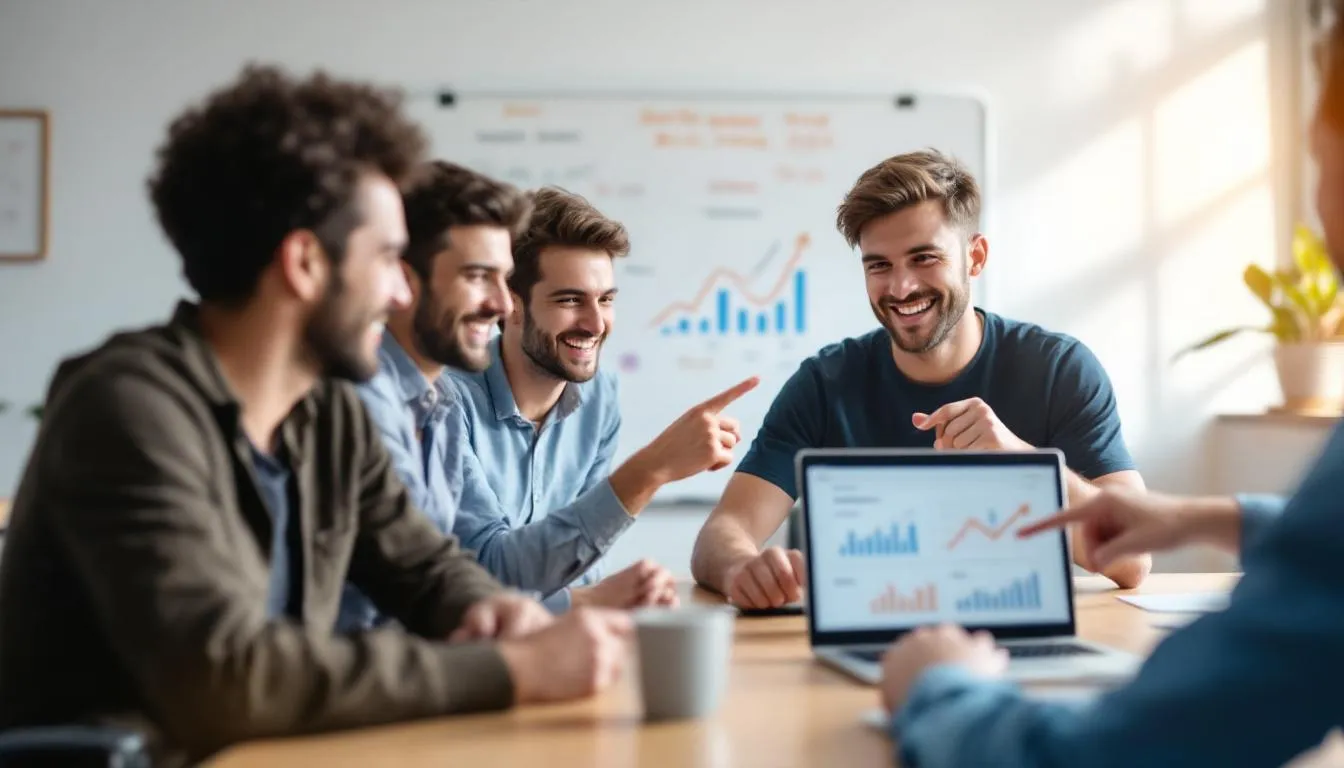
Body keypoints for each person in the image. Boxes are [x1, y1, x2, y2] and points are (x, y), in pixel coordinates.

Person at [0, 65, 632, 767]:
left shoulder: (324, 412)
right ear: (304, 263)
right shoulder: (128, 408)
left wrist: (505, 616)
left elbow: (423, 568)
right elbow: (227, 677)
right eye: (390, 259)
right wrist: (510, 670)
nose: (400, 291)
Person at [873, 7, 1344, 764]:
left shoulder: (1058, 363)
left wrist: (942, 686)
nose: (1318, 213)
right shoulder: (828, 373)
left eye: (1320, 165)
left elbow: (1116, 752)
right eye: (879, 264)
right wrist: (1204, 517)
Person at [690, 150, 1151, 607]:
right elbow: (722, 533)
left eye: (923, 258)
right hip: (873, 630)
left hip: (1014, 630)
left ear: (975, 257)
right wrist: (741, 569)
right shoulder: (824, 384)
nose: (900, 287)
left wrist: (1022, 462)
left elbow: (1132, 560)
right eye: (879, 265)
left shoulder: (1059, 370)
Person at [446, 186, 758, 612]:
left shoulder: (599, 397)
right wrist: (652, 469)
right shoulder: (447, 402)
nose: (595, 324)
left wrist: (600, 596)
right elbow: (486, 573)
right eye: (570, 300)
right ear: (511, 305)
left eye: (606, 300)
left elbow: (579, 569)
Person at [336, 160, 533, 630]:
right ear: (403, 281)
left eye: (505, 278)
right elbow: (407, 582)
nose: (503, 305)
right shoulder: (361, 399)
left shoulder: (441, 402)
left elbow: (449, 569)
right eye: (477, 276)